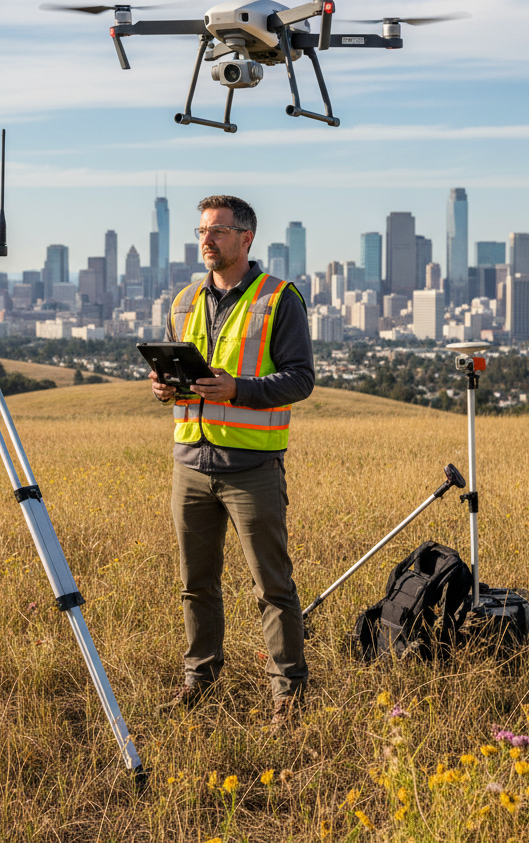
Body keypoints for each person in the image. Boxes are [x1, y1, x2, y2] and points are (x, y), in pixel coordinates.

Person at [149, 195, 314, 725]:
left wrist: (236, 389)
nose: (207, 239)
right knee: (195, 581)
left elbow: (300, 378)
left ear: (246, 238)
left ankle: (288, 690)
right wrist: (163, 387)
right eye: (202, 230)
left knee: (272, 584)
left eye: (218, 231)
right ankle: (201, 676)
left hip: (252, 469)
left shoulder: (279, 299)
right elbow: (182, 375)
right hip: (190, 463)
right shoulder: (182, 300)